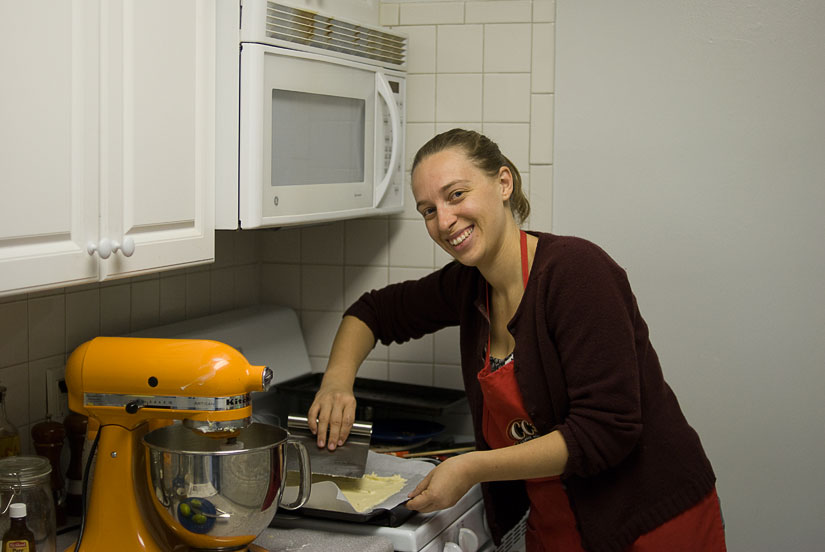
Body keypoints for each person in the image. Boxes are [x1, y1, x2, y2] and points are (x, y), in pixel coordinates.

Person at [307, 129, 726, 552]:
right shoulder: (468, 285)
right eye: (428, 210)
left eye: (456, 195)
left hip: (648, 523)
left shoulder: (577, 275)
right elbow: (372, 312)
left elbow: (606, 430)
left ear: (503, 183)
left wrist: (472, 468)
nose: (444, 220)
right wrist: (336, 383)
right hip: (556, 520)